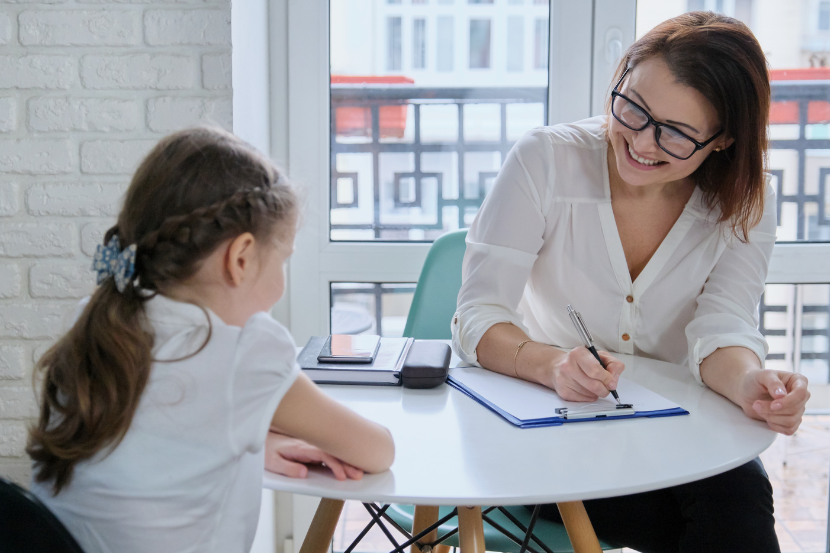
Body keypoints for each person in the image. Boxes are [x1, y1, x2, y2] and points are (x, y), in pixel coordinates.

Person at [451, 12, 809, 553]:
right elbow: (478, 315)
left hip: (680, 433)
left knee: (737, 500)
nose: (640, 141)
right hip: (552, 426)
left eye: (677, 133)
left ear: (724, 140)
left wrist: (748, 386)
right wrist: (553, 365)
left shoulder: (747, 203)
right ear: (621, 78)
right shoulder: (545, 161)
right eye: (633, 108)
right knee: (719, 523)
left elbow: (723, 325)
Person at [26, 127, 395, 553]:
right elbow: (377, 450)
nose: (282, 282)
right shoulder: (247, 353)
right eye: (284, 259)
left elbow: (156, 435)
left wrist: (259, 435)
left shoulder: (99, 324)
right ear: (240, 259)